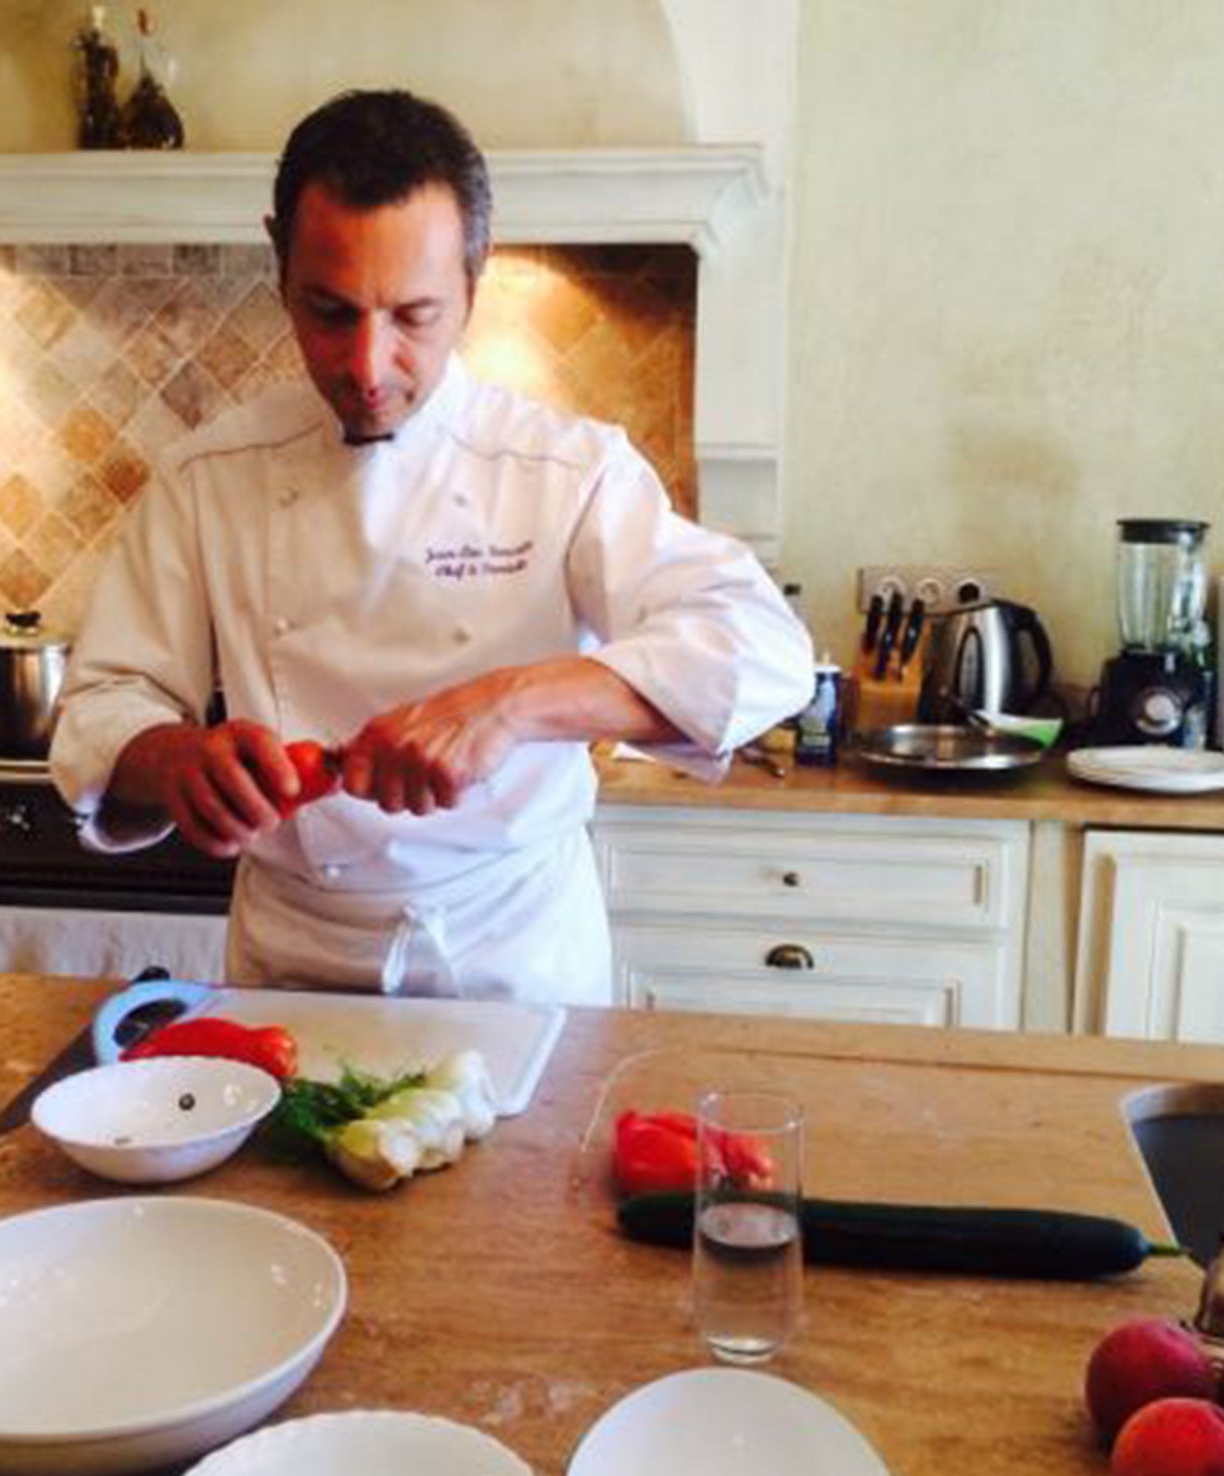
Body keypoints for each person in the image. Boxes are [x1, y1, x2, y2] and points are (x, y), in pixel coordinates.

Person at [50, 88, 814, 1005]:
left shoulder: (564, 469)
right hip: (293, 962)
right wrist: (171, 759)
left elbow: (759, 649)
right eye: (329, 313)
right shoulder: (207, 476)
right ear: (277, 263)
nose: (368, 368)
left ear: (473, 279)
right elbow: (105, 700)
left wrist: (513, 704)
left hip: (515, 960)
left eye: (413, 316)